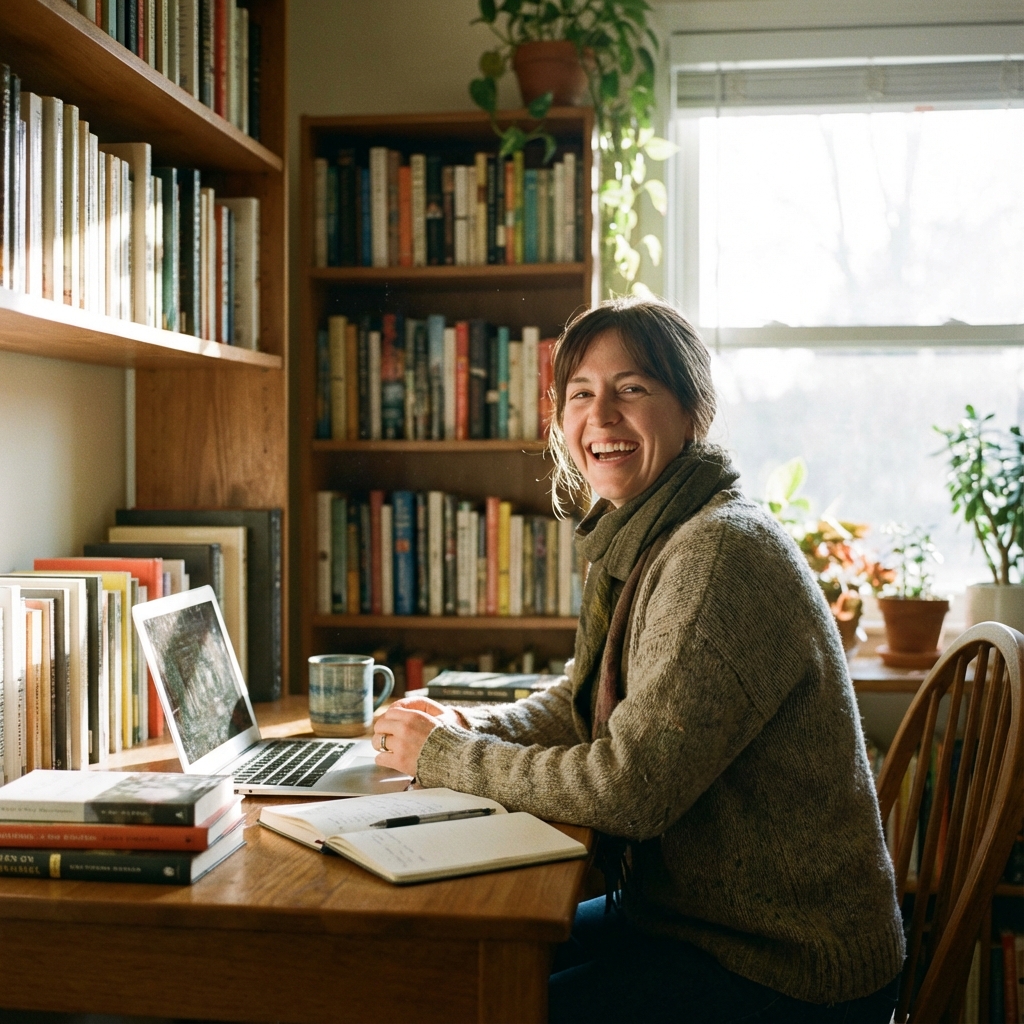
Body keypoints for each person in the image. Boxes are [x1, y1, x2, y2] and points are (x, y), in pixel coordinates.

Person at [373, 298, 905, 1023]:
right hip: (687, 923)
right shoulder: (650, 531)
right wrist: (469, 724)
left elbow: (629, 788)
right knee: (436, 972)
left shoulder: (716, 554)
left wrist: (447, 756)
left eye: (632, 389)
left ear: (693, 412)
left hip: (785, 966)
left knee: (476, 1001)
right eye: (581, 395)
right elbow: (579, 702)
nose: (602, 416)